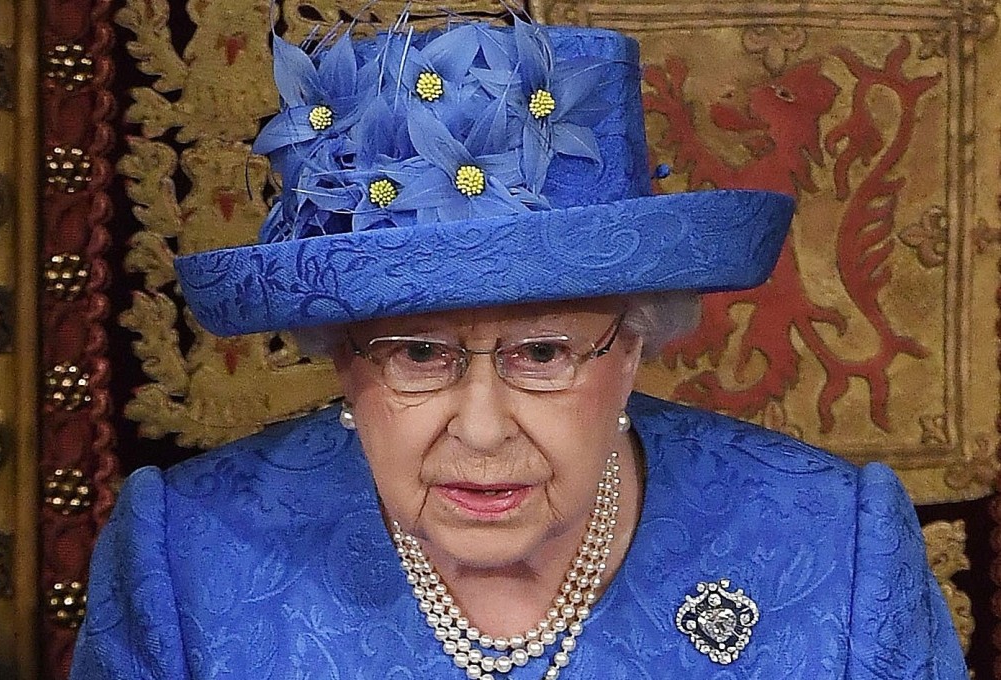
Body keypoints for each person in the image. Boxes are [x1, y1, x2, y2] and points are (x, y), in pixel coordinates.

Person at [70, 12, 967, 679]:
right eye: (417, 354)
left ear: (636, 341)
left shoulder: (834, 543)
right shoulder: (187, 557)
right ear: (345, 355)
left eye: (542, 353)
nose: (484, 430)